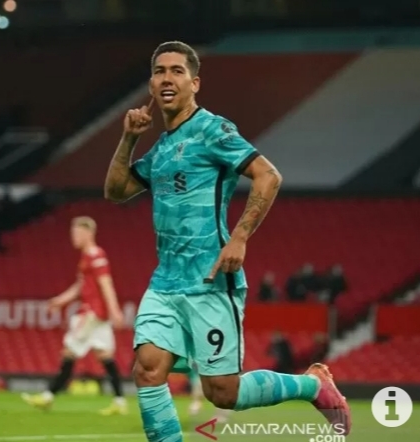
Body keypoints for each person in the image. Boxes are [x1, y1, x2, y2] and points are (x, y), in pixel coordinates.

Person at [103, 41, 351, 442]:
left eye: (177, 71)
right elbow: (115, 191)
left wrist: (239, 238)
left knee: (223, 393)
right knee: (147, 369)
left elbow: (268, 176)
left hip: (210, 280)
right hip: (165, 283)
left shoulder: (213, 130)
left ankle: (312, 385)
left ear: (195, 83)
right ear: (151, 84)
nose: (167, 78)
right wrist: (129, 139)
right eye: (160, 71)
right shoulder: (161, 148)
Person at [22, 216, 127, 415]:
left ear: (88, 233)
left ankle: (47, 396)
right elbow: (80, 286)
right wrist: (59, 301)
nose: (74, 237)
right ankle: (120, 402)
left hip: (91, 312)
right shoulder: (87, 257)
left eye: (77, 233)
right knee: (105, 355)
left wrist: (114, 309)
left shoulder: (95, 255)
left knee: (69, 352)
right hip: (98, 314)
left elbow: (106, 283)